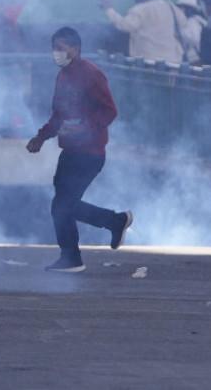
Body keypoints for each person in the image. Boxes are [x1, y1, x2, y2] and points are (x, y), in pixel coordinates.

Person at [26, 27, 132, 273]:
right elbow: (59, 115)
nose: (56, 53)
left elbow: (109, 111)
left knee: (62, 205)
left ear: (75, 49)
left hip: (90, 152)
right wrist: (41, 137)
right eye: (53, 48)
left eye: (61, 48)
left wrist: (85, 129)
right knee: (65, 204)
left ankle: (72, 256)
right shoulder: (62, 76)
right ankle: (114, 221)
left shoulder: (92, 75)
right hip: (70, 151)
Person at [101, 0, 187, 64]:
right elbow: (183, 23)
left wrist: (109, 10)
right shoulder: (169, 5)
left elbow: (126, 25)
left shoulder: (139, 9)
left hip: (149, 60)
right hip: (172, 58)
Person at [175, 0, 206, 64]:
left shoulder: (191, 22)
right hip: (200, 57)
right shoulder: (202, 21)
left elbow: (194, 39)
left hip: (194, 59)